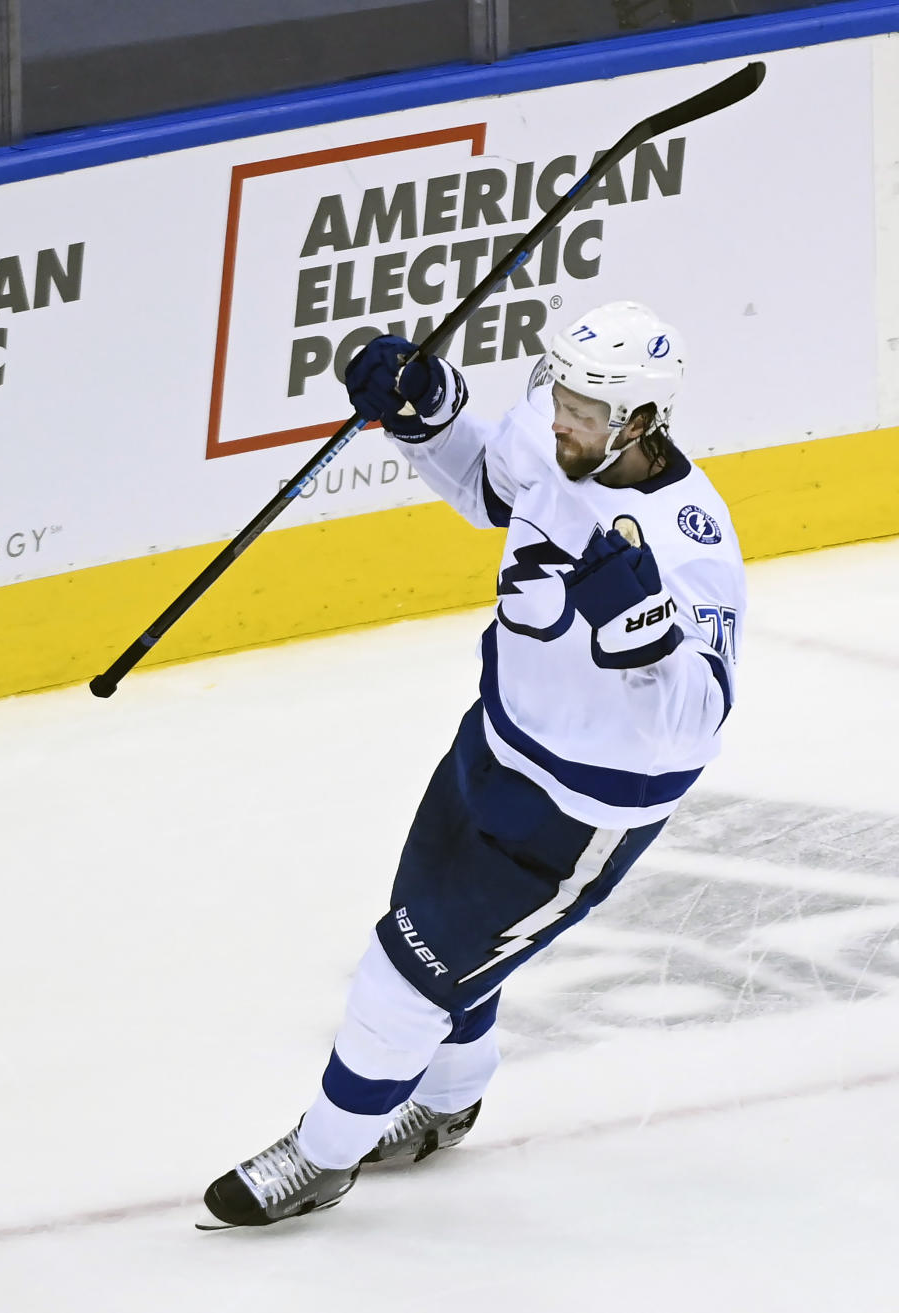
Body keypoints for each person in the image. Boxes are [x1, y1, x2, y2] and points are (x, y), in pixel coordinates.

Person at [197, 300, 746, 1230]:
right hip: (491, 743)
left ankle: (322, 1155)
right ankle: (446, 1104)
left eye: (585, 410)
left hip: (577, 809)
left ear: (642, 422)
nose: (560, 416)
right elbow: (492, 485)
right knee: (424, 931)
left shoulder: (690, 538)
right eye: (561, 394)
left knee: (401, 975)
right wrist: (426, 415)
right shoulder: (556, 433)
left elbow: (698, 720)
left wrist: (647, 639)